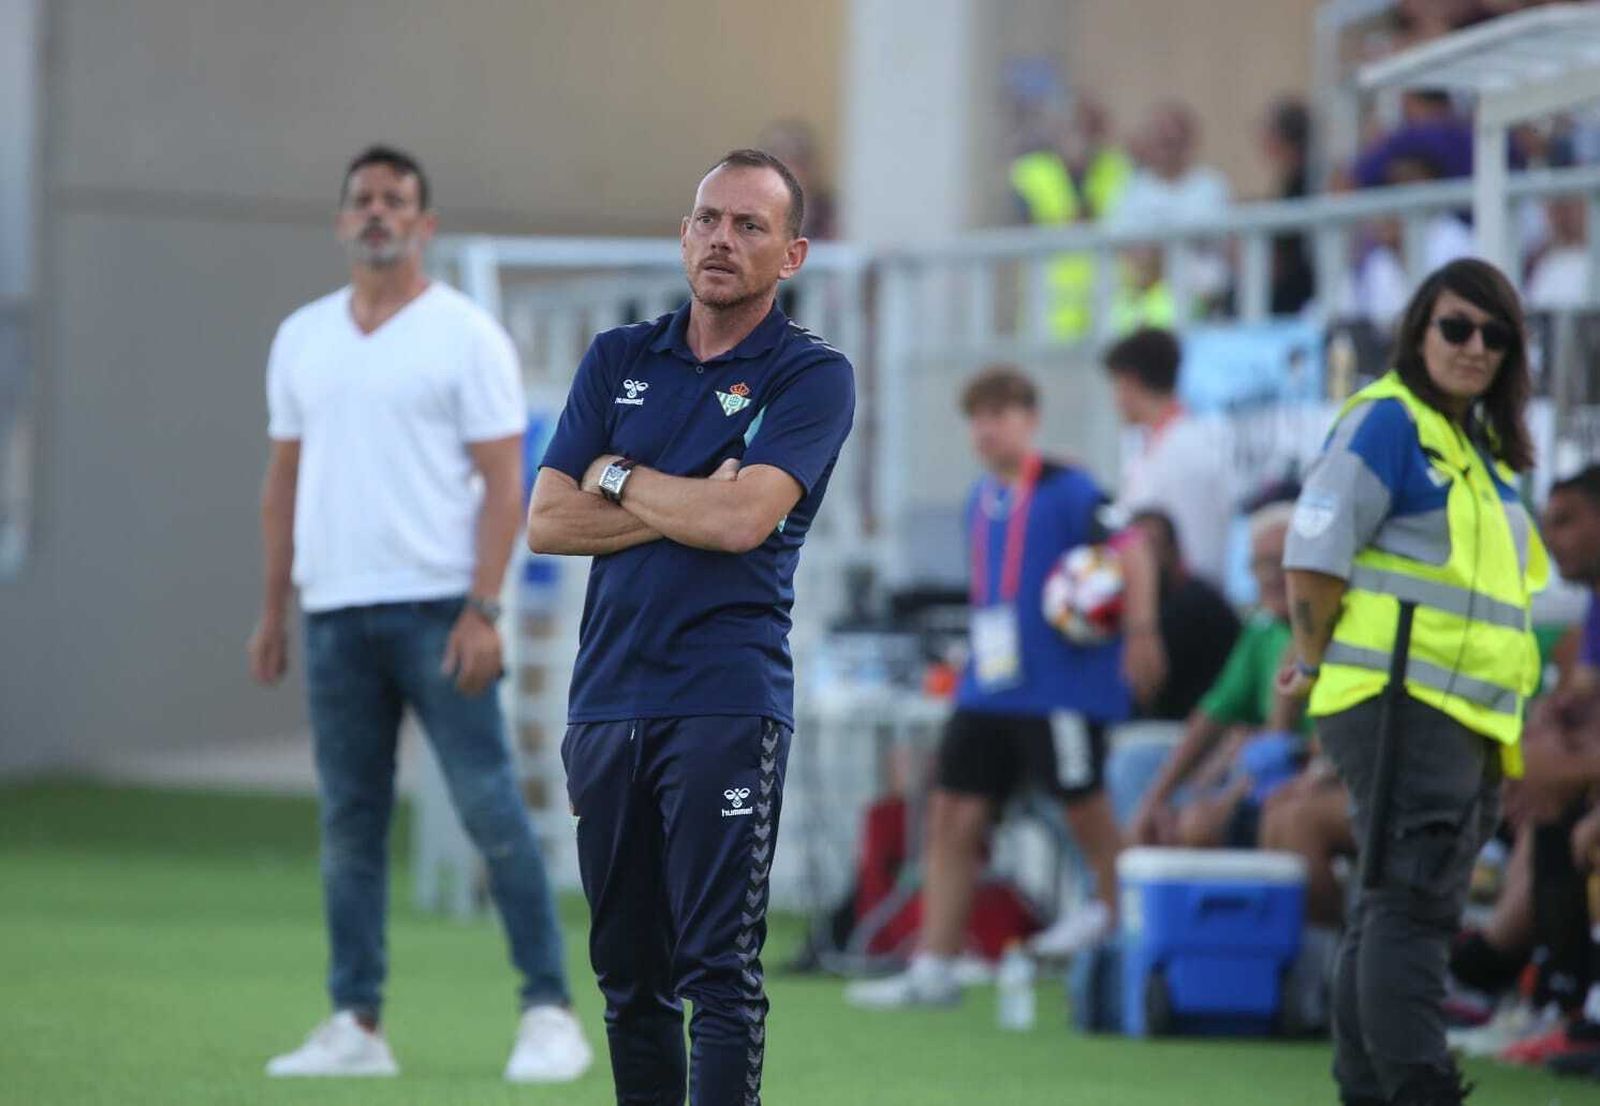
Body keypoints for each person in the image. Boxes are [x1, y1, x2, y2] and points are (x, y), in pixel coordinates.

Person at [249, 146, 590, 1082]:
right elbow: (284, 481)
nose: (376, 214)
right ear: (340, 221)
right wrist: (273, 606)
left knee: (489, 808)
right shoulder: (303, 337)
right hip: (335, 614)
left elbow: (502, 480)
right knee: (351, 825)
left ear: (423, 225)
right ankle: (355, 1023)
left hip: (439, 611)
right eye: (361, 200)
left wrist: (484, 607)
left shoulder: (464, 335)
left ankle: (549, 1012)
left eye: (395, 201)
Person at [525, 148, 854, 1106]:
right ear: (682, 234)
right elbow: (547, 522)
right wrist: (684, 501)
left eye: (750, 226)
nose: (722, 240)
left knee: (715, 970)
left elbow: (744, 521)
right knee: (629, 981)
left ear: (790, 255)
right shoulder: (619, 357)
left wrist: (618, 476)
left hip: (723, 699)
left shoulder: (810, 376)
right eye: (708, 220)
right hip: (605, 700)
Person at [1280, 258, 1550, 1106]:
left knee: (1391, 904)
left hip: (1460, 715)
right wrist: (1315, 660)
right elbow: (1315, 553)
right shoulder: (1390, 422)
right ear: (1418, 331)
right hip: (1403, 705)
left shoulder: (1475, 447)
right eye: (1457, 327)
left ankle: (1373, 1090)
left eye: (1495, 335)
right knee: (1413, 909)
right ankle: (1417, 1088)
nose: (1475, 347)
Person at [844, 365, 1164, 1007]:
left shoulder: (1069, 488)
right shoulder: (978, 500)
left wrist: (1141, 630)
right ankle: (933, 966)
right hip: (989, 688)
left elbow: (1133, 549)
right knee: (951, 814)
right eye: (978, 417)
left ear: (1030, 419)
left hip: (1059, 688)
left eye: (1001, 414)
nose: (987, 429)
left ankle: (1134, 940)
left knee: (1088, 813)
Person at [1130, 502, 1303, 851]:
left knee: (1198, 824)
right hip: (1259, 768)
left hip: (1304, 775)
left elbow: (1282, 742)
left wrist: (1225, 799)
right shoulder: (1262, 632)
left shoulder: (1322, 631)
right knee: (1138, 768)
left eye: (1280, 562)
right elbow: (1213, 716)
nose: (1270, 576)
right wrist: (1153, 802)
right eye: (1259, 564)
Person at [1102, 327, 1234, 592]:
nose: (1115, 400)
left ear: (1131, 382)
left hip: (1183, 607)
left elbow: (1197, 546)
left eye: (1117, 385)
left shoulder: (1188, 451)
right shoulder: (1152, 447)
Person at [1127, 507, 1240, 723]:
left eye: (1150, 547)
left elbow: (1146, 687)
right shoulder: (1158, 601)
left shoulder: (1194, 604)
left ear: (1173, 550)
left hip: (1186, 727)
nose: (1140, 561)